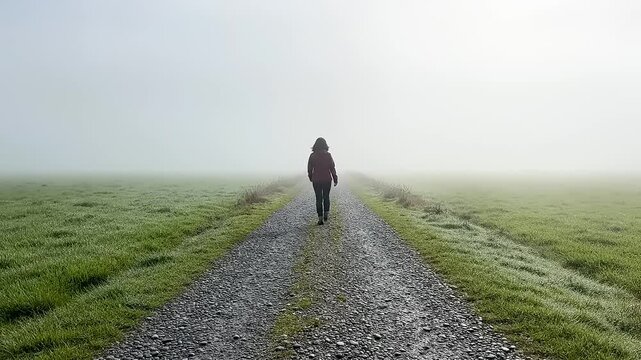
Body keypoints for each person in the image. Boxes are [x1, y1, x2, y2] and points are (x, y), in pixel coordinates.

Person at [307, 137, 338, 225]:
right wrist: (335, 179)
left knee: (318, 198)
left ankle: (320, 218)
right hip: (327, 179)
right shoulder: (328, 155)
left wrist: (311, 177)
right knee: (326, 197)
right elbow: (332, 168)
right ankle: (326, 214)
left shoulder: (312, 156)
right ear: (325, 145)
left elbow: (309, 168)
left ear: (315, 145)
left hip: (316, 180)